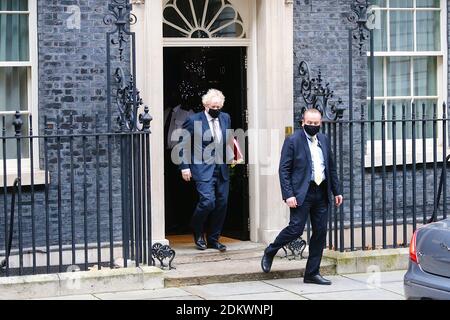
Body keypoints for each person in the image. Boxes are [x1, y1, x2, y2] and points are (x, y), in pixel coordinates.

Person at [261, 108, 344, 285]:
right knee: (296, 229)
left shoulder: (324, 139)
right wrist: (288, 195)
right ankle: (271, 250)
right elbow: (284, 170)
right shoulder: (293, 140)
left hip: (321, 192)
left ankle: (312, 273)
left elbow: (331, 167)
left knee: (320, 232)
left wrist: (337, 191)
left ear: (320, 123)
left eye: (316, 123)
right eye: (310, 123)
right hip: (301, 193)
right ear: (303, 123)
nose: (313, 126)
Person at [178, 89, 234, 252]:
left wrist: (233, 154)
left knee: (222, 204)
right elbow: (182, 145)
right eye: (213, 106)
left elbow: (228, 139)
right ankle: (197, 229)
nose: (216, 109)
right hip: (202, 168)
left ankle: (214, 239)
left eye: (219, 106)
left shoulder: (225, 118)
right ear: (205, 105)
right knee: (208, 201)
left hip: (221, 168)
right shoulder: (193, 120)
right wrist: (185, 167)